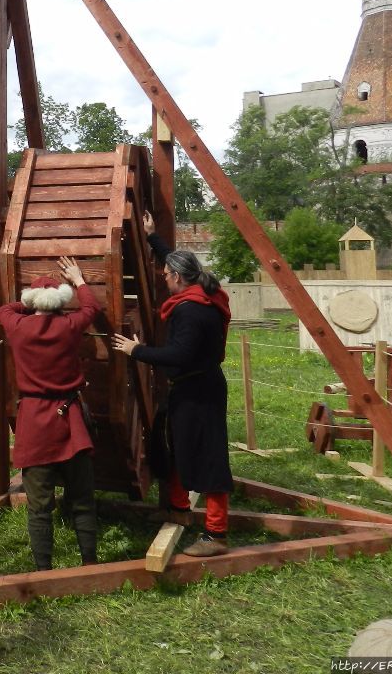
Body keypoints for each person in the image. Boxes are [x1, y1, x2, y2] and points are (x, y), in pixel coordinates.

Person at [112, 212, 233, 557]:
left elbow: (179, 354)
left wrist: (137, 350)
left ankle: (216, 533)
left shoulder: (190, 312)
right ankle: (179, 508)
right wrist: (153, 237)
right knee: (178, 446)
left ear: (178, 278)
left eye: (166, 275)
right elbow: (174, 260)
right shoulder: (202, 293)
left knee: (208, 456)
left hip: (200, 390)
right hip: (192, 387)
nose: (163, 278)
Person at [0, 257, 103, 570]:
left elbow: (5, 309)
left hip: (34, 422)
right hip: (69, 420)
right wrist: (79, 281)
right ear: (58, 301)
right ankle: (89, 563)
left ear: (34, 302)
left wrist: (28, 301)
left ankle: (44, 570)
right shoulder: (69, 325)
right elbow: (91, 309)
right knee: (82, 499)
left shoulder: (16, 325)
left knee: (39, 506)